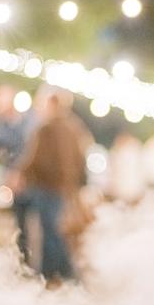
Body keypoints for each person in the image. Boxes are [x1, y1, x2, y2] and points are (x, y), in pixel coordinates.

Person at [10, 88, 92, 282]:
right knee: (61, 235)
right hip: (67, 190)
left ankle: (54, 277)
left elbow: (34, 158)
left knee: (51, 236)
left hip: (47, 189)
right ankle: (67, 278)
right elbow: (82, 161)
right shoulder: (76, 127)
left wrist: (20, 174)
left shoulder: (46, 128)